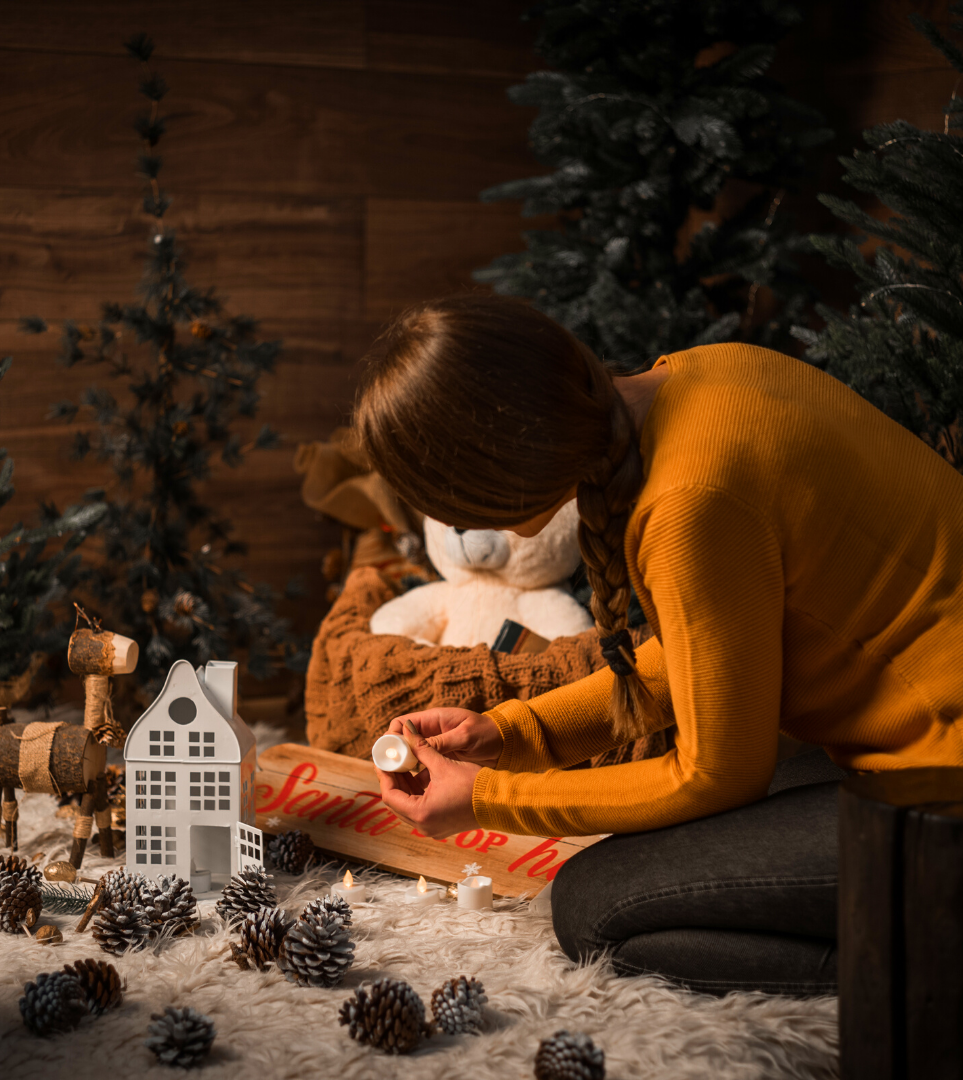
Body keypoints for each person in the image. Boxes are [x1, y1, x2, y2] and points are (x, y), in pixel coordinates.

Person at [352, 293, 963, 997]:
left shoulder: (686, 504)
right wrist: (510, 732)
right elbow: (716, 651)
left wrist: (490, 799)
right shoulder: (708, 374)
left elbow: (717, 775)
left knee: (594, 905)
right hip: (916, 755)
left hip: (943, 789)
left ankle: (929, 986)